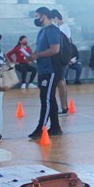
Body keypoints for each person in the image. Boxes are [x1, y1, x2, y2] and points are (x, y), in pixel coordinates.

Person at [26, 7, 64, 139]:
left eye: (37, 16)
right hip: (43, 69)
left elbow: (55, 49)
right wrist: (34, 57)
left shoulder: (53, 30)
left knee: (46, 99)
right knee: (50, 98)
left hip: (51, 69)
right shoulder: (42, 31)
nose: (36, 19)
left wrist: (37, 55)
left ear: (44, 16)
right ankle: (55, 127)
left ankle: (41, 128)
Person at [51, 10, 71, 114]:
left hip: (62, 58)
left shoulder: (64, 28)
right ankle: (64, 106)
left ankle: (64, 106)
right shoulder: (60, 28)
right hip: (59, 58)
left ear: (55, 18)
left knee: (61, 81)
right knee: (60, 81)